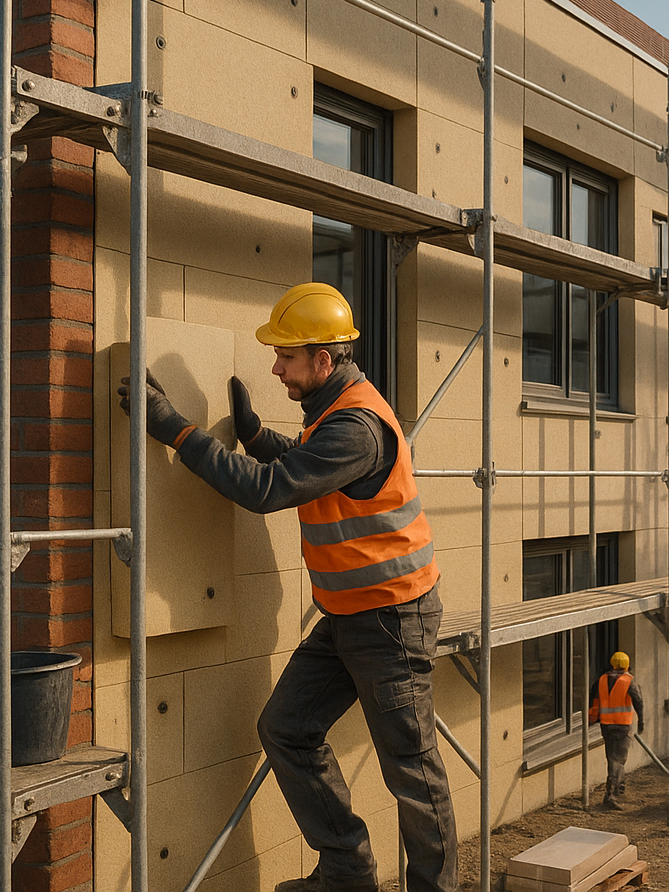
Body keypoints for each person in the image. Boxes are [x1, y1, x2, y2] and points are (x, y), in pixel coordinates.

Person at [119, 282, 456, 892]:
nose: (275, 367)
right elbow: (303, 464)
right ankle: (348, 873)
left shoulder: (356, 425)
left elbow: (269, 490)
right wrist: (253, 436)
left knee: (412, 769)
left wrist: (173, 429)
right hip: (352, 615)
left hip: (391, 619)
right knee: (286, 728)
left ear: (323, 359)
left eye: (286, 356)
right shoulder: (333, 409)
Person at [588, 651, 644, 809]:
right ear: (627, 665)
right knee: (618, 760)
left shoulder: (602, 680)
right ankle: (611, 794)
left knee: (612, 757)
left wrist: (592, 718)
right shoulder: (628, 681)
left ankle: (619, 788)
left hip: (606, 725)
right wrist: (642, 721)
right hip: (622, 726)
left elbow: (595, 701)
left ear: (612, 664)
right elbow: (638, 702)